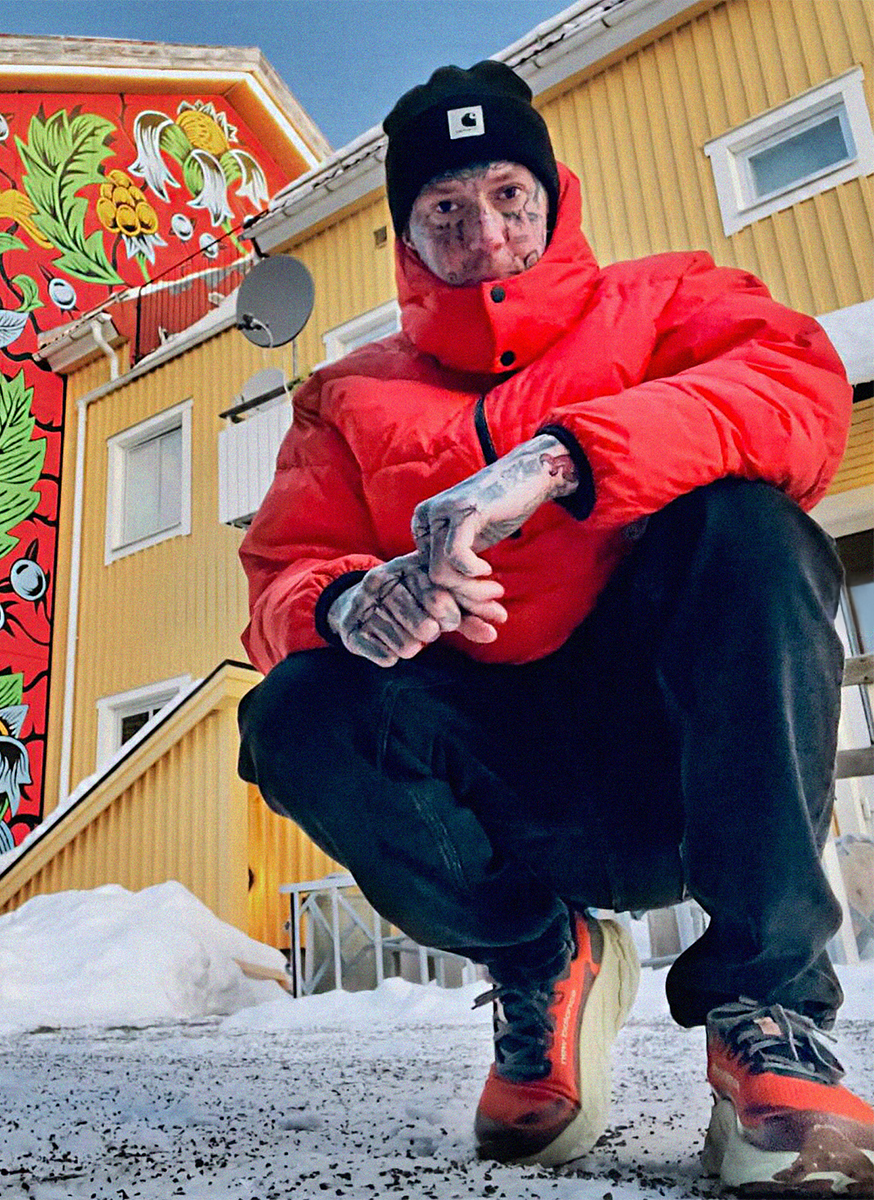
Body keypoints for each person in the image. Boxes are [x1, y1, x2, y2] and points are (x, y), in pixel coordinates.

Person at [236, 60, 874, 1193]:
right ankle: (542, 959)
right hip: (505, 782)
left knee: (750, 529)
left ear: (552, 197)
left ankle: (770, 1015)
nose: (482, 234)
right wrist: (350, 601)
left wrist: (565, 457)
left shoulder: (670, 299)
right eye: (444, 209)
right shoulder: (343, 399)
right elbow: (285, 570)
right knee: (297, 707)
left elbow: (797, 392)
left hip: (684, 759)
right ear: (405, 239)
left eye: (507, 197)